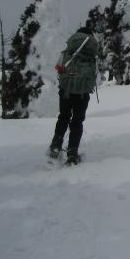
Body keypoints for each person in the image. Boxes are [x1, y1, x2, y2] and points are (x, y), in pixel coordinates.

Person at [47, 26, 99, 165]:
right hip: (82, 93)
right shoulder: (92, 55)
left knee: (63, 117)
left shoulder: (67, 51)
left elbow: (58, 67)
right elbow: (95, 75)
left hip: (66, 90)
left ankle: (55, 147)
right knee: (77, 121)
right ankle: (72, 153)